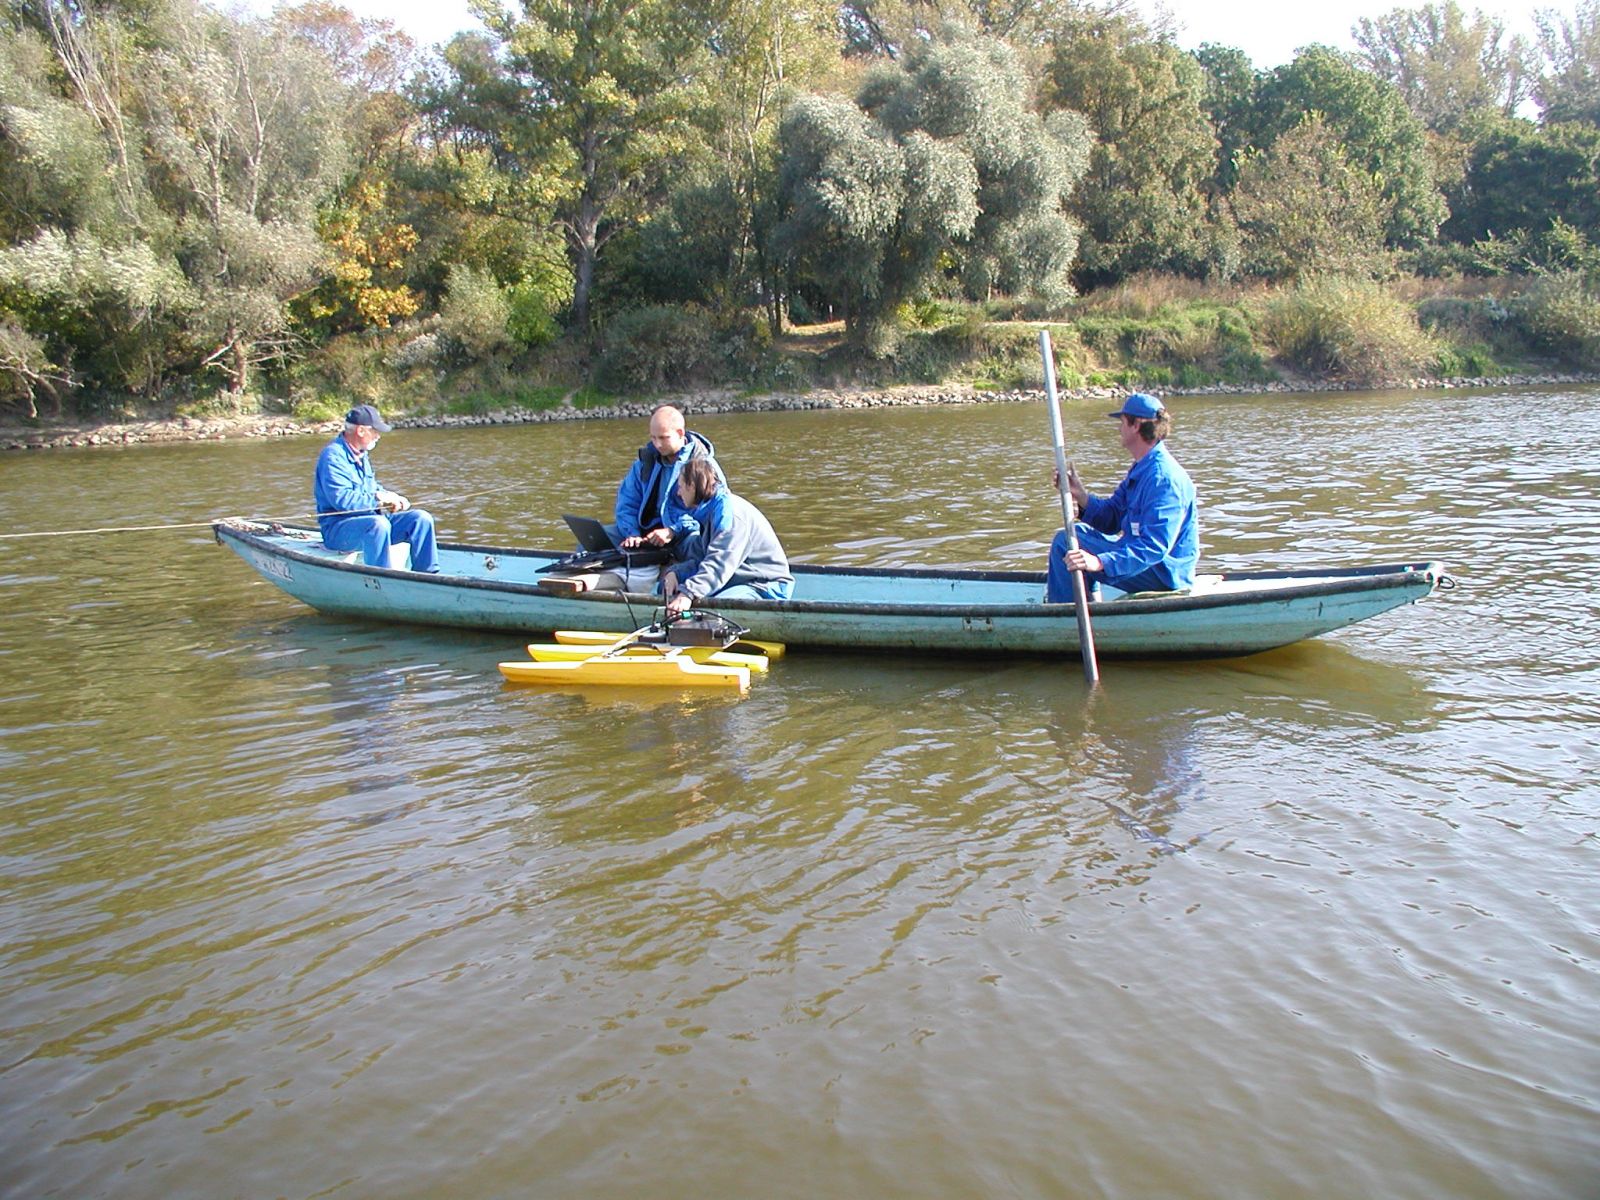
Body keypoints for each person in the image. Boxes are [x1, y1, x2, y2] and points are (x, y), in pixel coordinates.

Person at [1046, 392, 1197, 602]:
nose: (1119, 428)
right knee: (1077, 534)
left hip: (1164, 572)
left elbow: (1154, 547)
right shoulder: (1143, 468)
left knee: (1065, 543)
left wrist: (1099, 562)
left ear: (1136, 425)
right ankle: (1089, 602)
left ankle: (1066, 614)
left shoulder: (1163, 479)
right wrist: (1080, 494)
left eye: (1123, 422)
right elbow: (1112, 517)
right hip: (1145, 561)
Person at [591, 404, 725, 592]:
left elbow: (712, 515)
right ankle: (599, 588)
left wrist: (673, 530)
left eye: (663, 438)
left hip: (684, 534)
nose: (657, 444)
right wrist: (632, 534)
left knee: (697, 546)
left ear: (680, 433)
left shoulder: (703, 466)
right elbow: (627, 503)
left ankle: (682, 582)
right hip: (646, 534)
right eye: (653, 438)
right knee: (595, 539)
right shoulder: (645, 462)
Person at [313, 404, 439, 573]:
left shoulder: (361, 454)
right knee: (378, 525)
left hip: (371, 521)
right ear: (360, 431)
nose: (378, 436)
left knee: (421, 519)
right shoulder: (332, 457)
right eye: (375, 431)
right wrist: (378, 500)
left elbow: (371, 488)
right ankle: (383, 579)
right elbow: (342, 500)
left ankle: (428, 576)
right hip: (337, 531)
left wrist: (391, 497)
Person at [663, 458, 793, 617]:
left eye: (680, 487)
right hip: (736, 577)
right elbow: (702, 556)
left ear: (691, 486)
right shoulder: (709, 511)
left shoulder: (730, 516)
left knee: (714, 612)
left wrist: (688, 593)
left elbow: (718, 564)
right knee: (667, 588)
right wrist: (676, 573)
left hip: (764, 585)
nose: (678, 493)